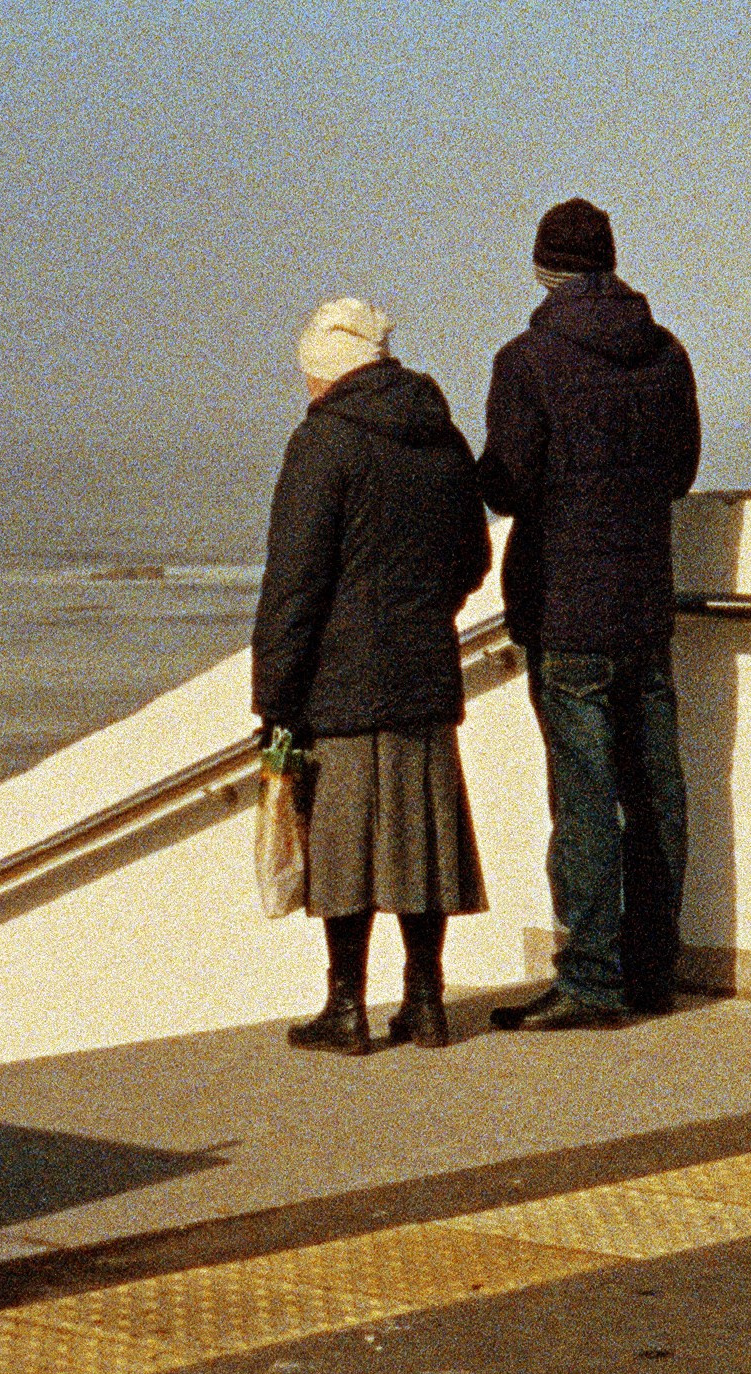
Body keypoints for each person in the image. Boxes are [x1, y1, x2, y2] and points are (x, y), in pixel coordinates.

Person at [476, 198, 702, 1030]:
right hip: (645, 602)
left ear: (543, 269)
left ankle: (591, 977)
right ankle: (651, 971)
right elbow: (680, 473)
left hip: (565, 609)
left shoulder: (526, 361)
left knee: (583, 797)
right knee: (655, 793)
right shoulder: (666, 353)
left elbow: (505, 484)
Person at [253, 297, 491, 1056]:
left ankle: (346, 1007)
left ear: (326, 372)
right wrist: (424, 611)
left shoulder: (322, 443)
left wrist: (277, 700)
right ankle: (426, 1002)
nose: (307, 390)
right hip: (423, 669)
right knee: (424, 837)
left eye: (309, 377)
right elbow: (473, 560)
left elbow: (294, 583)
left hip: (343, 680)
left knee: (345, 846)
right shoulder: (442, 436)